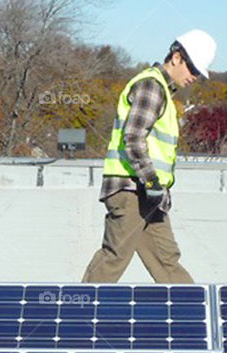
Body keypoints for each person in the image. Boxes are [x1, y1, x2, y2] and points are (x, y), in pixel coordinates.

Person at [82, 29, 217, 284]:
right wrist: (152, 181)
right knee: (114, 257)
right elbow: (133, 138)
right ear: (177, 57)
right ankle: (77, 315)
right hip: (131, 189)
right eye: (193, 69)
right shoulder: (151, 86)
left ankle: (191, 317)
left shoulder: (163, 90)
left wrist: (156, 188)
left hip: (148, 194)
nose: (195, 77)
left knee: (166, 260)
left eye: (199, 73)